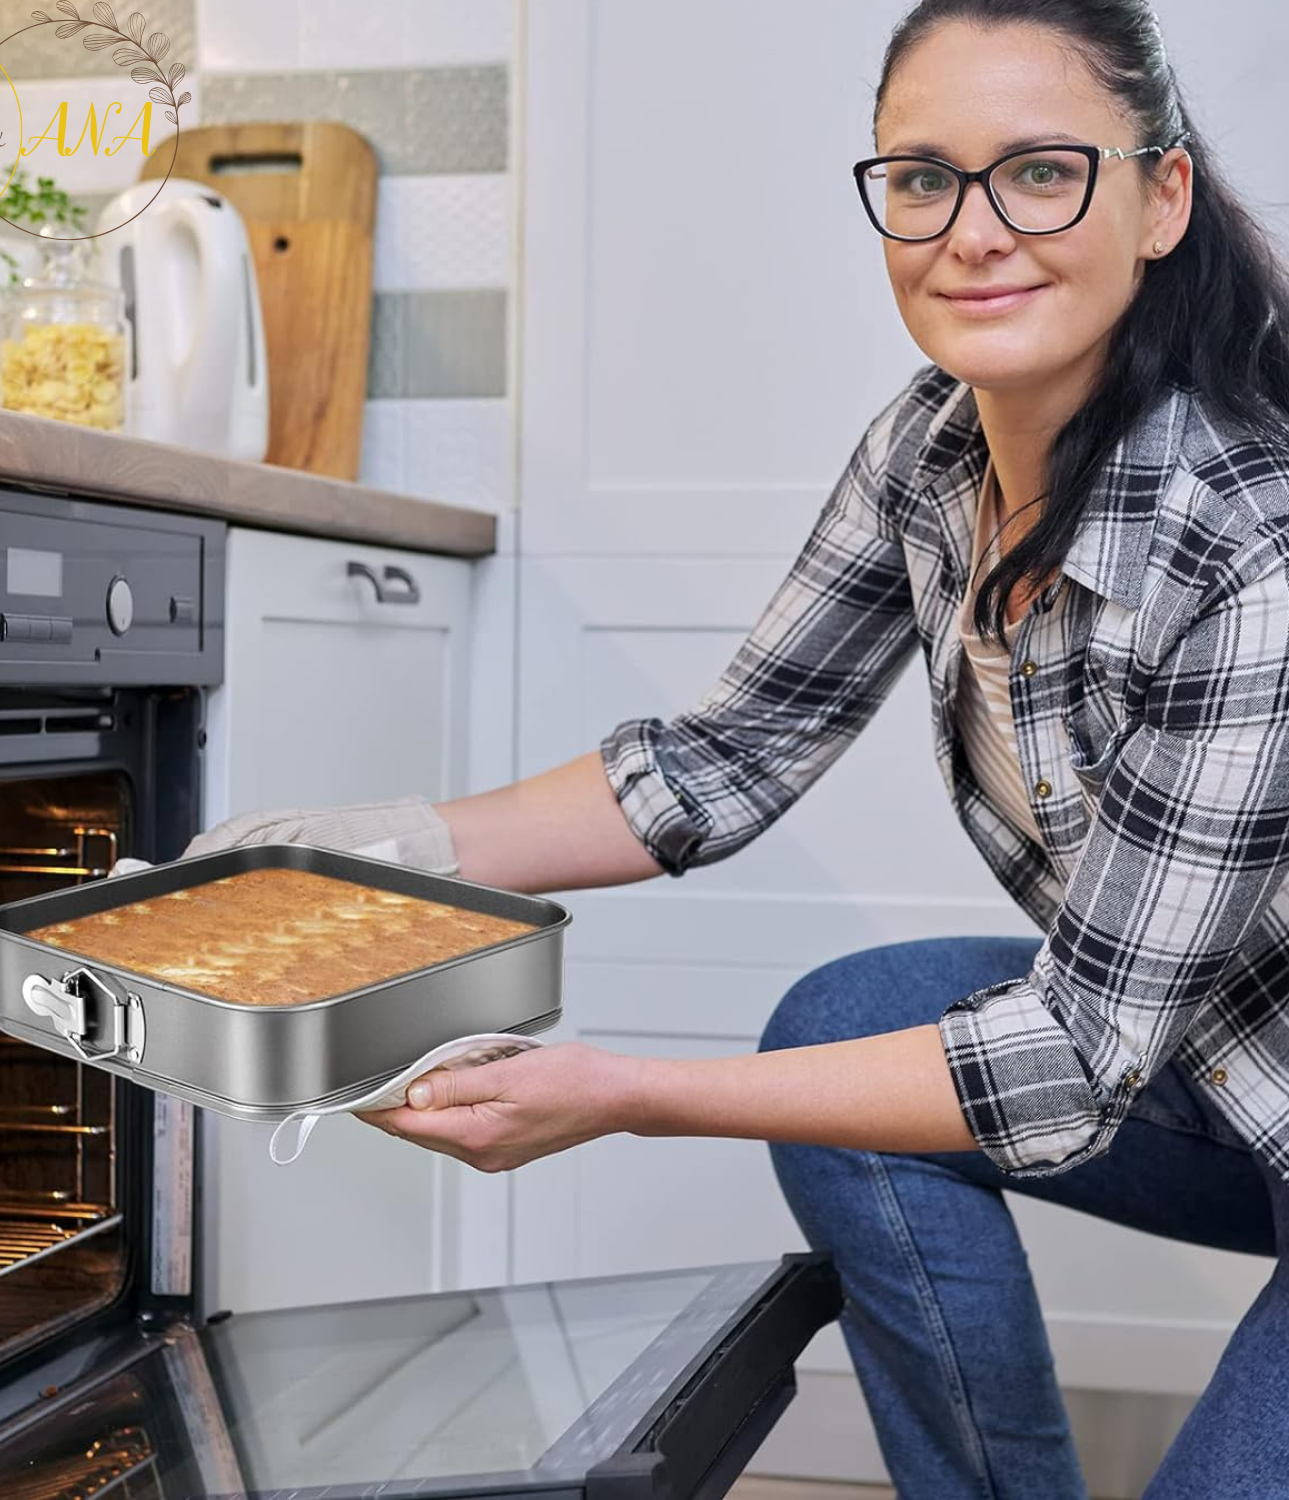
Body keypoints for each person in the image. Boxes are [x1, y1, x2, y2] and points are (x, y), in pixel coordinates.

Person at [187, 2, 1289, 1492]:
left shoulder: (1252, 548)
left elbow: (1071, 1060)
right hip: (1227, 1078)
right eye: (922, 177)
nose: (973, 230)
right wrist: (369, 848)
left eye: (1040, 173)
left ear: (1160, 197)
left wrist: (624, 1094)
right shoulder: (934, 449)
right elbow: (729, 757)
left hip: (1160, 1064)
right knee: (846, 1015)